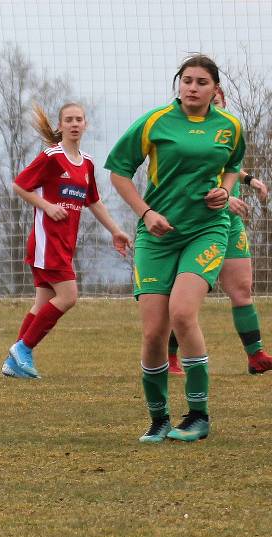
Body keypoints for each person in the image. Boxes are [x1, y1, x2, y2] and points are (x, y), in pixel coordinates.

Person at [105, 54, 245, 443]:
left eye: (202, 82)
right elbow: (118, 171)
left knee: (183, 314)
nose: (192, 87)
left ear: (215, 90)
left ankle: (198, 416)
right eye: (187, 80)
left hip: (206, 231)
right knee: (153, 332)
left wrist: (226, 190)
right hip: (158, 236)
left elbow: (233, 165)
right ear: (178, 84)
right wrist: (146, 213)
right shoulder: (154, 122)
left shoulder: (230, 126)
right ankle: (158, 419)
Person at [3, 103, 131, 379]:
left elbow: (93, 202)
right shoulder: (51, 156)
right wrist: (46, 206)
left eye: (79, 120)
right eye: (69, 120)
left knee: (43, 303)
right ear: (60, 126)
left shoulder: (86, 163)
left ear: (85, 125)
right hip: (47, 243)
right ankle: (23, 349)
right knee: (69, 296)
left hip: (64, 245)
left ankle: (14, 360)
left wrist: (115, 230)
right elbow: (19, 185)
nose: (74, 124)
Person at [166, 87, 272, 376]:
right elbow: (189, 179)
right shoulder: (186, 137)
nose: (212, 107)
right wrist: (225, 198)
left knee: (241, 289)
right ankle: (170, 358)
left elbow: (229, 166)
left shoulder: (227, 133)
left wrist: (250, 180)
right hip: (198, 225)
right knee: (185, 300)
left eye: (217, 102)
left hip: (231, 225)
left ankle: (256, 355)